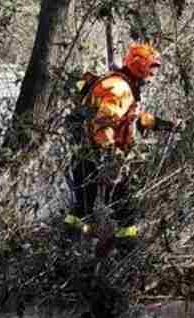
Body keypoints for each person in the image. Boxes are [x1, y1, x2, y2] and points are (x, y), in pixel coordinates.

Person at [64, 43, 181, 255]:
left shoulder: (121, 84)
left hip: (86, 154)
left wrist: (165, 124)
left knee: (82, 207)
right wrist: (110, 154)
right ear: (139, 67)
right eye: (150, 69)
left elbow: (133, 119)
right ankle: (126, 257)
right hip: (101, 157)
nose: (152, 75)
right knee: (125, 211)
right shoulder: (120, 89)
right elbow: (104, 122)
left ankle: (69, 253)